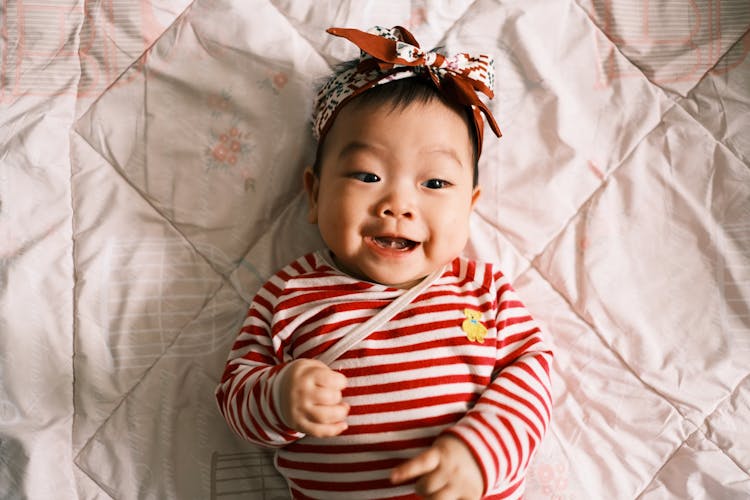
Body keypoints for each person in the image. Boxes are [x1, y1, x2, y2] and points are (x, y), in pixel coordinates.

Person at [216, 25, 553, 500]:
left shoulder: (485, 292)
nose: (397, 203)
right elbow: (234, 394)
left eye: (434, 184)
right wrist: (277, 397)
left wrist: (482, 452)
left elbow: (532, 372)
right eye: (368, 175)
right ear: (314, 195)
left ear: (470, 206)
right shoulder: (288, 294)